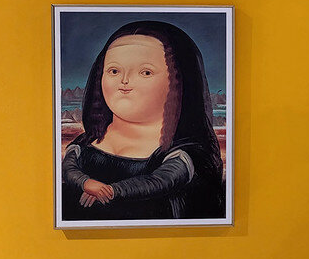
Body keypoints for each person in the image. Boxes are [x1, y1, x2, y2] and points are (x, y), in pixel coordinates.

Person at [61, 21, 224, 220]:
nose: (124, 81)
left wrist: (110, 191)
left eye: (145, 72)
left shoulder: (186, 156)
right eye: (114, 71)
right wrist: (84, 182)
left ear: (178, 82)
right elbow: (69, 170)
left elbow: (161, 181)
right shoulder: (83, 144)